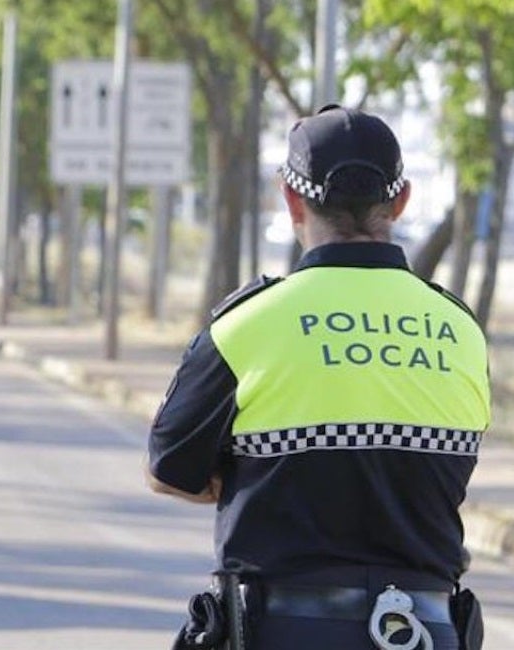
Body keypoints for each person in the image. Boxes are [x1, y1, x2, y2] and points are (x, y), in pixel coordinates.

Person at [146, 104, 490, 650]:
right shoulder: (461, 331)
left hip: (284, 629)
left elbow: (169, 470)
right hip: (427, 631)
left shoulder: (246, 326)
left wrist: (261, 479)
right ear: (400, 200)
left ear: (290, 199)